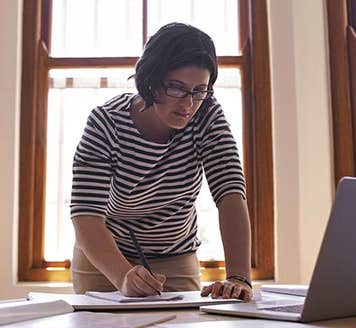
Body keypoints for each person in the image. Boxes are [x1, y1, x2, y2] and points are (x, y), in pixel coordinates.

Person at [70, 22, 252, 301]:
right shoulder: (106, 122)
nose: (188, 105)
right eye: (177, 89)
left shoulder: (207, 116)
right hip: (107, 255)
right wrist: (123, 276)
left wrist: (239, 277)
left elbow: (230, 194)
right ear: (151, 81)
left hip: (175, 255)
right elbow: (86, 215)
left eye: (199, 90)